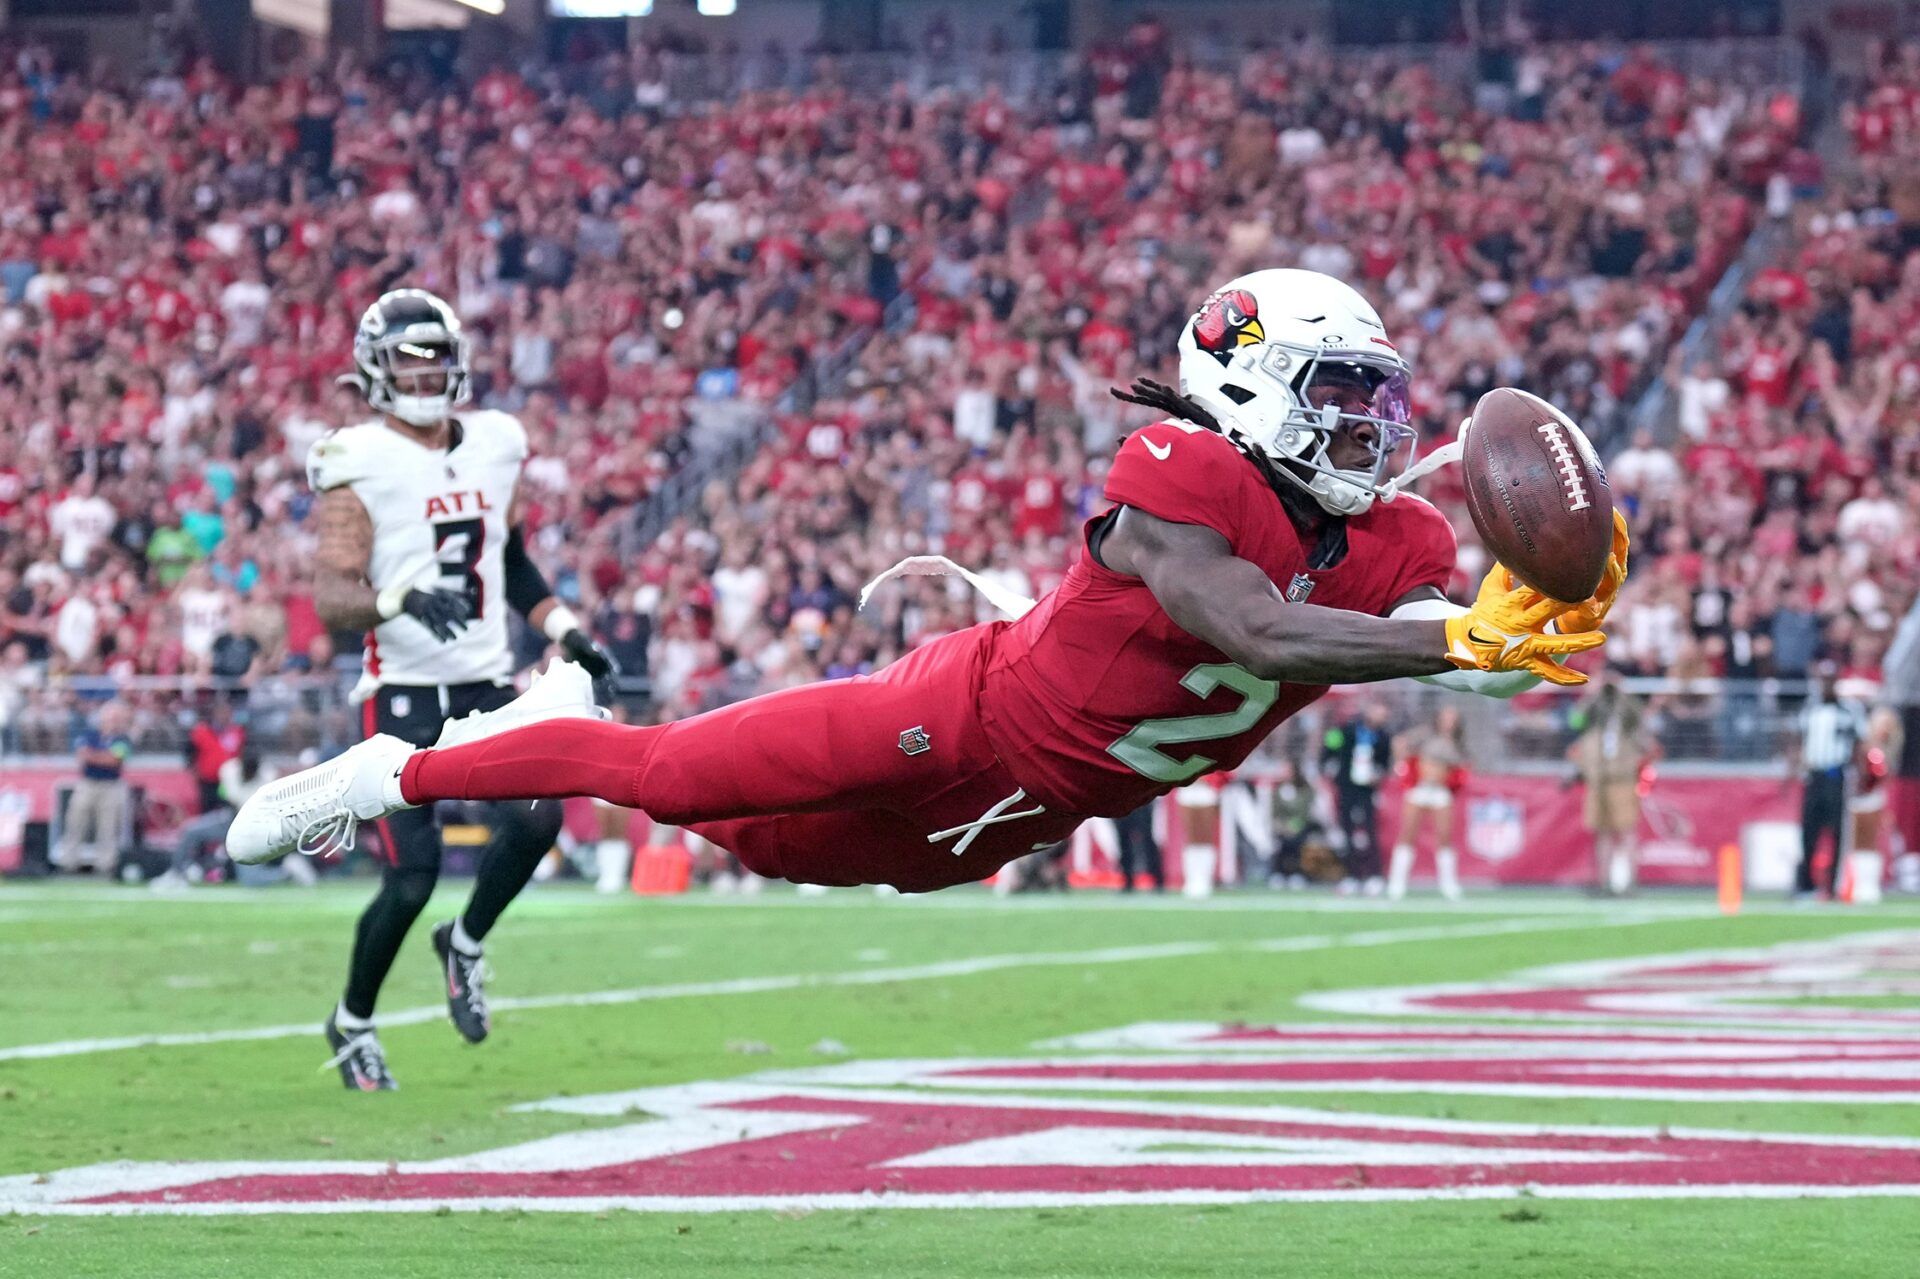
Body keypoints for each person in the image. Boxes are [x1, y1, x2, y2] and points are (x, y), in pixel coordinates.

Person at [232, 270, 1621, 919]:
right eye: (1340, 393)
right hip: (958, 716)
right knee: (666, 779)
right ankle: (390, 770)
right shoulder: (1177, 466)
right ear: (1249, 384)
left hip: (1034, 806)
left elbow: (1468, 647)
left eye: (1381, 395)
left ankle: (529, 719)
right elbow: (1248, 625)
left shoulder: (1404, 538)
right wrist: (1455, 641)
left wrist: (1554, 610)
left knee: (778, 854)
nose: (1376, 425)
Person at [301, 290, 616, 1091]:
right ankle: (354, 1019)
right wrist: (398, 598)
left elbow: (507, 561)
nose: (426, 370)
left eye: (435, 353)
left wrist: (565, 629)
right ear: (377, 365)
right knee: (412, 874)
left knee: (539, 816)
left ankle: (466, 942)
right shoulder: (355, 457)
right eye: (409, 356)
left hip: (482, 679)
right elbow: (332, 596)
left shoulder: (497, 443)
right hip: (400, 688)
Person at [1568, 672, 1659, 896]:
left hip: (1623, 776)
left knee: (1627, 830)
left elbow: (1638, 717)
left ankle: (1629, 882)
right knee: (1602, 832)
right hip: (1598, 777)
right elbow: (1574, 721)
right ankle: (1604, 883)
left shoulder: (1627, 710)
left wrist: (1621, 692)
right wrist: (1591, 694)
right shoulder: (1594, 709)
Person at [1791, 665, 1869, 902]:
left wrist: (1861, 774)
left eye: (1829, 679)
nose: (1825, 685)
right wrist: (1794, 768)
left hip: (1836, 775)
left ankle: (1833, 885)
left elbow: (1859, 743)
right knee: (1808, 831)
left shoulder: (1849, 710)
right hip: (1814, 775)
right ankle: (1805, 885)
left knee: (1837, 831)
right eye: (1822, 679)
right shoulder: (1809, 708)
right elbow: (1797, 740)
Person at [1387, 705, 1468, 900]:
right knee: (1408, 833)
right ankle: (1396, 884)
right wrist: (1402, 768)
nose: (1449, 722)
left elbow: (1463, 764)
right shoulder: (1426, 734)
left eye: (1452, 718)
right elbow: (1400, 742)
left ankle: (1449, 885)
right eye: (1446, 717)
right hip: (1419, 787)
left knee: (1444, 836)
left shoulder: (1457, 742)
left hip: (1440, 790)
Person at [1322, 702, 1394, 894]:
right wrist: (1329, 768)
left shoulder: (1384, 737)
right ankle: (1351, 875)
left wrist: (1378, 775)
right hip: (1347, 786)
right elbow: (1329, 746)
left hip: (1367, 789)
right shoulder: (1347, 730)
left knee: (1370, 832)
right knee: (1347, 831)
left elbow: (1385, 764)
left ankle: (1374, 875)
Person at [58, 700, 132, 875]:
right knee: (75, 823)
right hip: (88, 783)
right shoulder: (90, 734)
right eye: (110, 716)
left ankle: (105, 866)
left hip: (111, 786)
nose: (113, 720)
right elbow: (83, 756)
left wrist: (95, 756)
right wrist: (104, 757)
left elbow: (115, 760)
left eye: (117, 717)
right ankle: (68, 863)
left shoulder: (123, 739)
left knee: (108, 827)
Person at [1267, 755, 1326, 888]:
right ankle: (1279, 873)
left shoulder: (1305, 789)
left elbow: (1305, 812)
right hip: (1283, 827)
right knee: (1282, 842)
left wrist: (1295, 825)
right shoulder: (1277, 791)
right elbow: (1275, 813)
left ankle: (1297, 873)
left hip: (1302, 825)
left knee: (1297, 841)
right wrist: (1283, 826)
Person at [1112, 800, 1163, 892]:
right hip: (1121, 798)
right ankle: (1127, 879)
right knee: (1123, 839)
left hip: (1140, 796)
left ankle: (1158, 879)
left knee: (1147, 838)